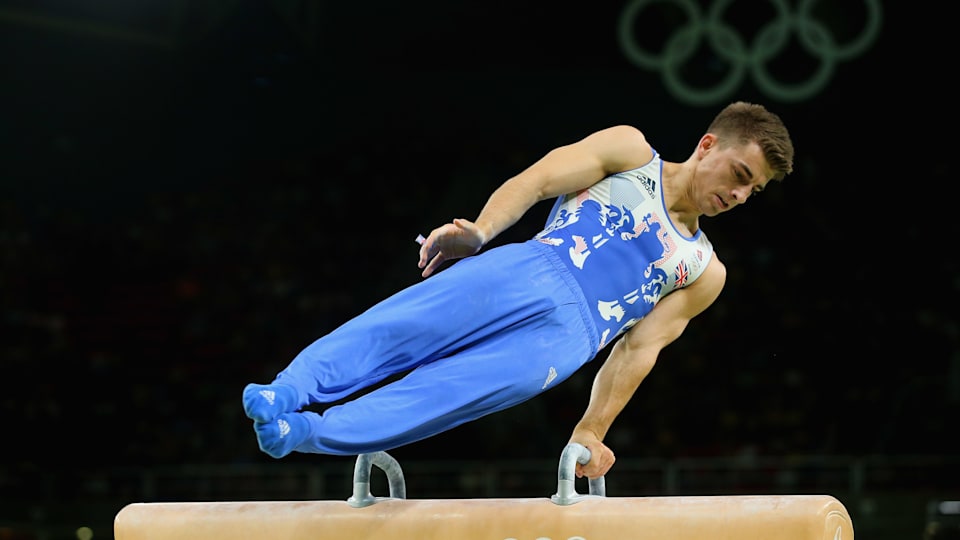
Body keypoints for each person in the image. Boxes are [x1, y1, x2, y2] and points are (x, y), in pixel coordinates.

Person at [242, 101, 794, 480]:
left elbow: (638, 349)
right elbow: (537, 179)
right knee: (400, 327)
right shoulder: (631, 153)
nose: (743, 195)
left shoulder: (703, 270)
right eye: (741, 174)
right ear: (707, 144)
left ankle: (302, 432)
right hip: (531, 267)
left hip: (569, 340)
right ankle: (288, 390)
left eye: (756, 190)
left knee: (442, 397)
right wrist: (480, 232)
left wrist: (589, 432)